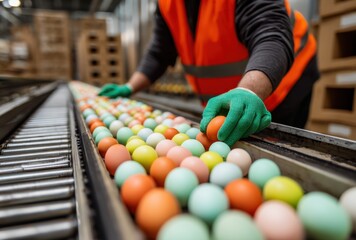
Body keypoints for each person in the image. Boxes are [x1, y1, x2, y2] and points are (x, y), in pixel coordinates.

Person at [98, 0, 319, 147]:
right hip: (235, 94)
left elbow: (270, 35)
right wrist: (130, 86)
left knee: (272, 148)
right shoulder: (168, 3)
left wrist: (249, 91)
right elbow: (159, 53)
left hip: (281, 81)